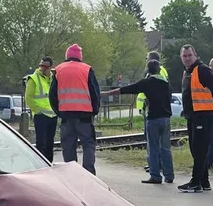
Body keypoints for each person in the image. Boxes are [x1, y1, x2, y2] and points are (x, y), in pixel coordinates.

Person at [102, 59, 174, 184]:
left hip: (153, 119)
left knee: (153, 148)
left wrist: (108, 93)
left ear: (147, 69)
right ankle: (169, 175)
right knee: (165, 148)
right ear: (158, 70)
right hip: (166, 119)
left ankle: (156, 176)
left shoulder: (147, 82)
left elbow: (128, 89)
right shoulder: (166, 83)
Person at [50, 44, 100, 174]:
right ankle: (88, 173)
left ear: (67, 55)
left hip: (66, 115)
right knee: (88, 144)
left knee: (68, 145)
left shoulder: (58, 70)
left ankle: (71, 174)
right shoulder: (87, 69)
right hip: (84, 115)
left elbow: (52, 95)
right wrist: (94, 110)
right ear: (80, 57)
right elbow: (95, 93)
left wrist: (59, 111)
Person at [178, 44, 213, 193]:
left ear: (195, 54)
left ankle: (196, 182)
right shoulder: (188, 71)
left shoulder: (201, 70)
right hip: (193, 115)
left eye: (190, 55)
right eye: (184, 56)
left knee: (199, 148)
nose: (187, 58)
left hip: (203, 114)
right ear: (181, 58)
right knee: (195, 148)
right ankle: (204, 181)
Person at [25, 57, 57, 161]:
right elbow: (28, 97)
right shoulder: (33, 78)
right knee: (41, 143)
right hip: (41, 115)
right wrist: (37, 111)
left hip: (53, 115)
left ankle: (49, 164)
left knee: (50, 143)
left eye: (45, 66)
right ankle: (40, 164)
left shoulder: (54, 79)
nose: (42, 68)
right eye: (41, 66)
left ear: (50, 67)